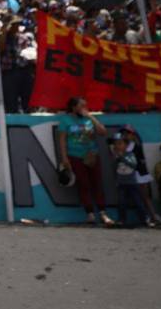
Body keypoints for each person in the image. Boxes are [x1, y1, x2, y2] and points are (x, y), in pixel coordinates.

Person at [57, 97, 115, 225]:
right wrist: (64, 157)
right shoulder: (65, 120)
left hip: (92, 155)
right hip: (75, 155)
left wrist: (91, 117)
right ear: (73, 107)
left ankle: (103, 213)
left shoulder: (88, 118)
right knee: (84, 184)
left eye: (85, 105)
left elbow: (103, 132)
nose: (84, 108)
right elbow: (62, 140)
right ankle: (90, 213)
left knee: (97, 183)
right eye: (81, 106)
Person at [110, 134, 154, 227]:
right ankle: (122, 220)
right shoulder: (116, 157)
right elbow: (115, 170)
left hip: (132, 183)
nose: (117, 146)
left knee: (138, 202)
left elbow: (133, 165)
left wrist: (122, 158)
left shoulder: (130, 155)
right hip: (121, 183)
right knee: (121, 202)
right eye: (116, 144)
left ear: (126, 145)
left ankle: (145, 219)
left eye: (120, 144)